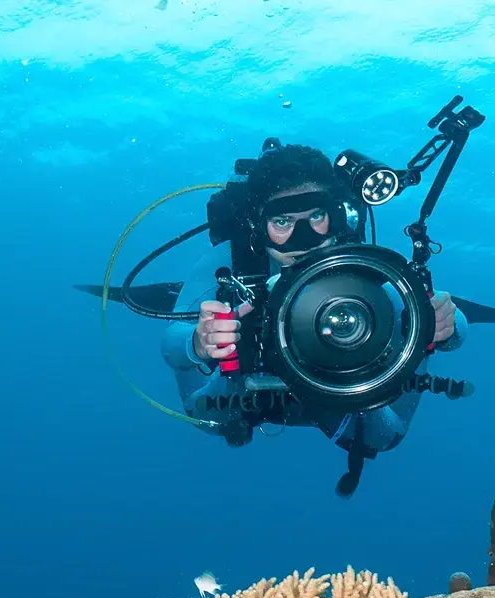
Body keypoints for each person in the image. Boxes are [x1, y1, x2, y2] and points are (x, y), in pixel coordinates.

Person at [161, 143, 465, 455]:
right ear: (257, 225)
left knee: (383, 434)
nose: (304, 239)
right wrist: (200, 343)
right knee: (208, 417)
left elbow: (437, 313)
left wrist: (446, 325)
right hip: (246, 392)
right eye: (282, 222)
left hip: (340, 390)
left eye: (317, 215)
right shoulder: (231, 259)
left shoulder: (354, 258)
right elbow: (172, 344)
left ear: (336, 214)